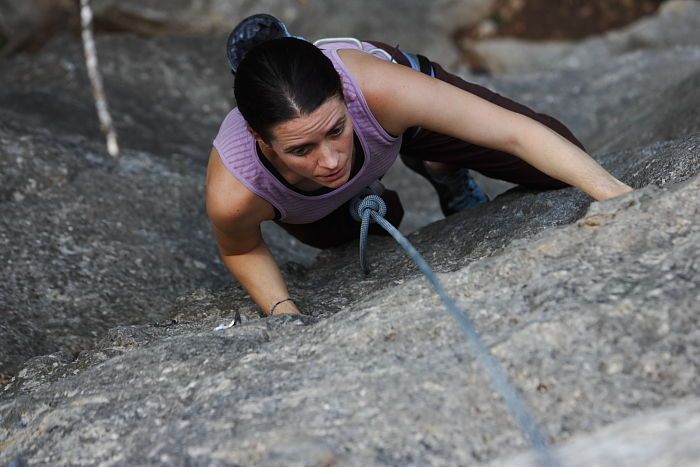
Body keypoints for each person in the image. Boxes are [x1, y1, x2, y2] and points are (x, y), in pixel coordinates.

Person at [206, 15, 632, 318]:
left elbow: (514, 133)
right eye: (301, 150)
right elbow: (241, 247)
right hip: (329, 181)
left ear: (343, 94)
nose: (330, 160)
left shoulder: (379, 88)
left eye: (336, 129)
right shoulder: (239, 189)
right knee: (370, 227)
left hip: (396, 122)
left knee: (557, 160)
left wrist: (623, 200)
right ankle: (367, 185)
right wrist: (284, 315)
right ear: (261, 141)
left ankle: (441, 163)